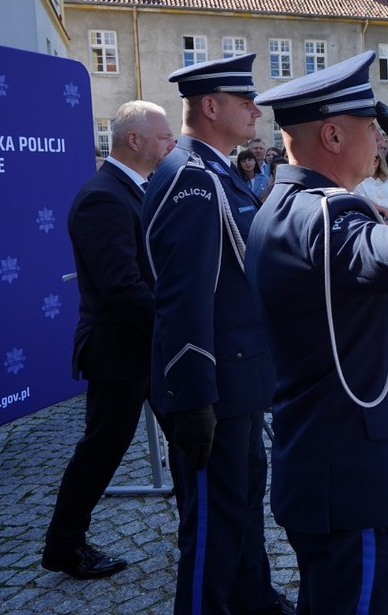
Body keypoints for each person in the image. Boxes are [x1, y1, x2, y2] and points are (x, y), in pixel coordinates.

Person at [243, 53, 388, 613]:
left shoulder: (289, 207)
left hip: (332, 464)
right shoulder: (322, 215)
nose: (382, 139)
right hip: (356, 478)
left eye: (386, 129)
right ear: (334, 134)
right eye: (373, 127)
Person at [142, 53, 288, 615]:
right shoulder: (194, 179)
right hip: (214, 385)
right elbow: (184, 296)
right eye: (243, 99)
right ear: (209, 105)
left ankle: (254, 600)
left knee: (243, 504)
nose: (255, 109)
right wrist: (194, 396)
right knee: (210, 523)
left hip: (238, 377)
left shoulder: (215, 170)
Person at [42, 101, 175, 580]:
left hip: (147, 347)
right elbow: (122, 287)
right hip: (122, 351)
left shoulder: (136, 190)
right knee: (102, 450)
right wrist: (173, 330)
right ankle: (64, 545)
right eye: (163, 137)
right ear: (134, 140)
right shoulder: (103, 197)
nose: (171, 143)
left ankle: (202, 532)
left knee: (188, 439)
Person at [355, 144, 388, 221]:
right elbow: (362, 201)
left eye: (375, 157)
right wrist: (383, 210)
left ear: (380, 159)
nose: (372, 161)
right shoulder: (358, 179)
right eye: (366, 157)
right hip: (368, 218)